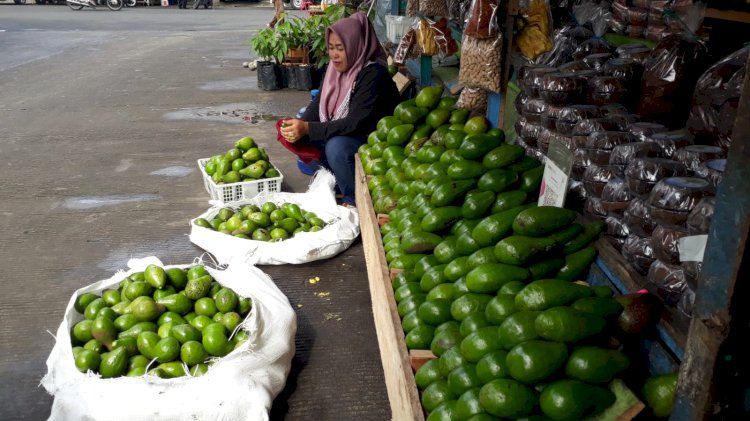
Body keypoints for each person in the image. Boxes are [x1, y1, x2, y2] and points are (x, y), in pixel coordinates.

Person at [278, 12, 400, 206]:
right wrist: (299, 125)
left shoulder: (373, 74)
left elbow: (356, 121)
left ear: (355, 47)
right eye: (331, 48)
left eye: (340, 49)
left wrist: (309, 128)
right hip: (352, 133)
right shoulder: (335, 70)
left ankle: (353, 199)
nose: (334, 54)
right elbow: (319, 102)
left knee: (336, 147)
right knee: (302, 137)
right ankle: (339, 183)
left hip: (377, 139)